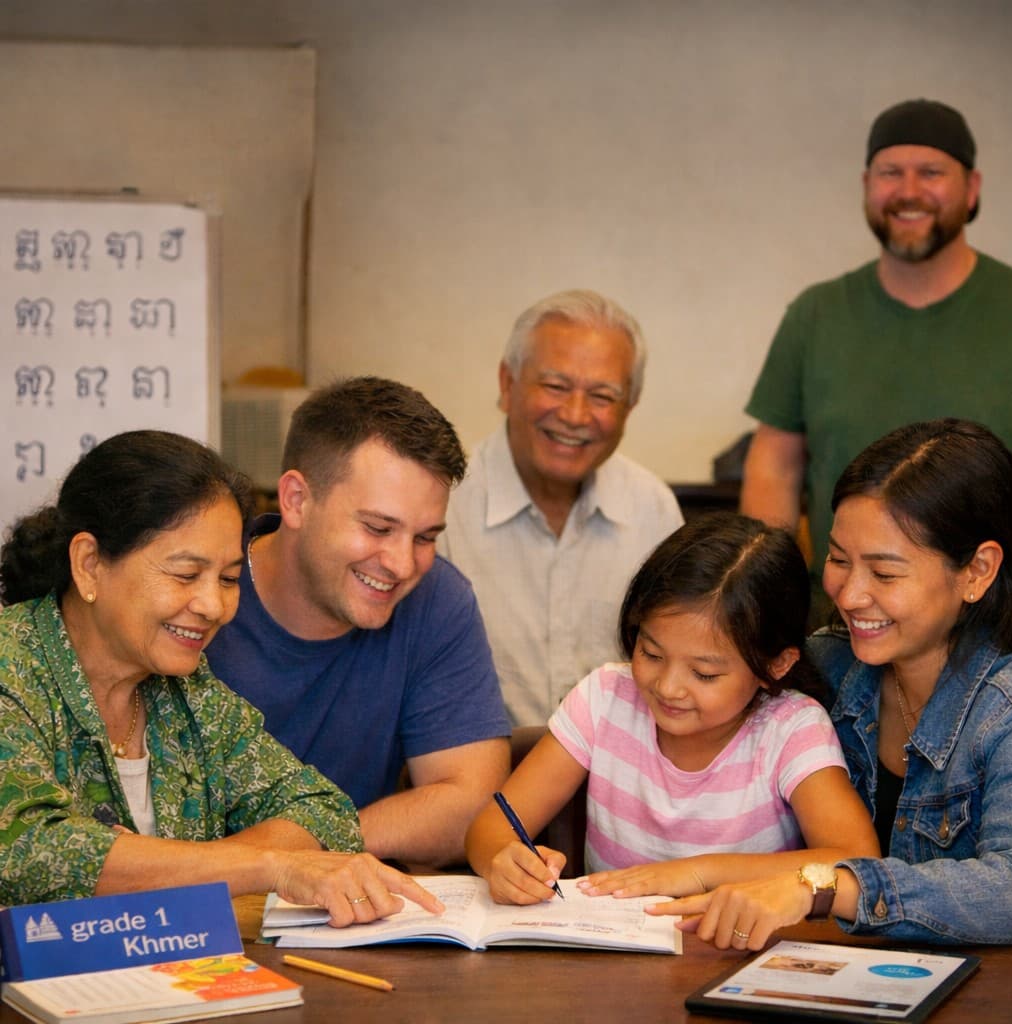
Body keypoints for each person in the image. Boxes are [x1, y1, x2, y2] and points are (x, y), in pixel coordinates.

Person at [0, 429, 443, 923]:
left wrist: (179, 870)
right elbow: (26, 850)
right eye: (186, 575)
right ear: (88, 565)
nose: (214, 606)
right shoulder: (12, 664)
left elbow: (320, 809)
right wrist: (267, 866)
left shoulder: (185, 691)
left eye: (229, 580)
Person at [659, 419, 1012, 948]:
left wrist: (824, 887)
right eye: (837, 559)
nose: (849, 595)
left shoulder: (1011, 704)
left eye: (884, 573)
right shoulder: (826, 662)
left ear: (977, 571)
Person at [464, 512, 878, 905]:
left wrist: (699, 873)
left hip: (738, 959)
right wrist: (503, 861)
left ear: (775, 666)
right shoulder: (605, 698)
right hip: (612, 957)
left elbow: (857, 861)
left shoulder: (790, 728)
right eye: (651, 653)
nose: (667, 687)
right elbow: (491, 828)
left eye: (704, 674)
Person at [205, 377, 510, 868]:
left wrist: (294, 855)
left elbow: (473, 803)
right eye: (377, 528)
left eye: (426, 537)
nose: (403, 564)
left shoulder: (437, 599)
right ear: (297, 500)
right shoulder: (195, 593)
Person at [741, 98, 1012, 623]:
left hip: (1003, 634)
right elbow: (775, 465)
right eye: (891, 173)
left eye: (931, 172)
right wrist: (768, 605)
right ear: (868, 185)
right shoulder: (816, 314)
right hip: (848, 624)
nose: (909, 191)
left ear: (973, 188)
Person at [438, 289, 683, 726]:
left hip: (620, 781)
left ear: (631, 406)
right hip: (477, 777)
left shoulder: (654, 510)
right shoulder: (443, 506)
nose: (574, 414)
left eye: (603, 396)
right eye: (555, 386)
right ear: (507, 383)